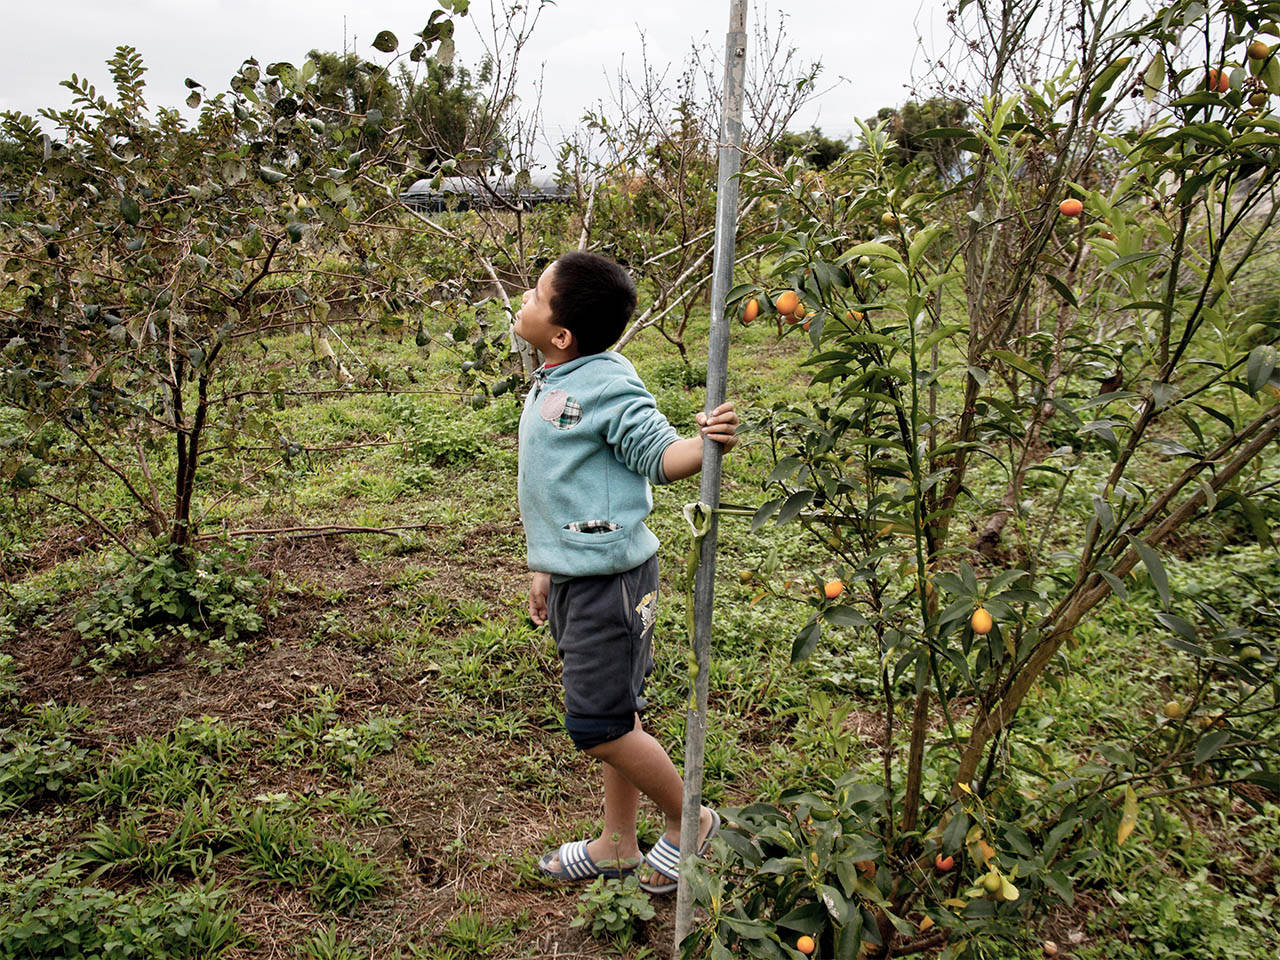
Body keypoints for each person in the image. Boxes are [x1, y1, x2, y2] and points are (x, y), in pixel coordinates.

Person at [514, 250, 738, 893]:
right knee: (619, 712)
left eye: (534, 297)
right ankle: (617, 844)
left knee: (598, 725)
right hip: (578, 573)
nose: (522, 304)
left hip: (610, 582)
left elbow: (660, 455)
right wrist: (547, 566)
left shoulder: (606, 383)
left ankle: (686, 818)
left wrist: (706, 442)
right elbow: (567, 488)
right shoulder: (561, 370)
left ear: (560, 334)